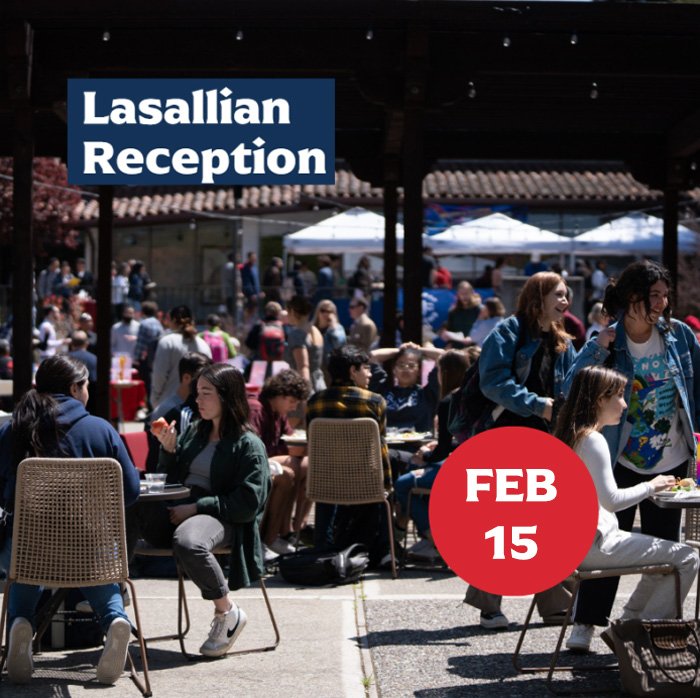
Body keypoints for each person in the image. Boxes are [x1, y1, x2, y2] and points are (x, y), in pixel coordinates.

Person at [563, 260, 700, 644]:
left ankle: (635, 625)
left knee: (662, 553)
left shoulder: (679, 336)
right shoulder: (608, 340)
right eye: (652, 295)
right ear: (631, 298)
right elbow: (572, 388)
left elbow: (698, 391)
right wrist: (593, 347)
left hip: (670, 458)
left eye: (663, 294)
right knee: (607, 543)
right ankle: (586, 623)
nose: (661, 302)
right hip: (619, 455)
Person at [0, 355, 141, 684]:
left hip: (26, 550)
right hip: (89, 550)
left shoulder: (13, 430)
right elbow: (131, 492)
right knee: (94, 555)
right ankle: (114, 620)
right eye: (86, 385)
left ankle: (21, 624)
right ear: (75, 389)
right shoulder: (100, 430)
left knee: (25, 557)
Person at [556, 366, 699, 652]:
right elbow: (612, 500)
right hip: (596, 544)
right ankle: (639, 635)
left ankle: (629, 625)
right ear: (599, 400)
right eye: (620, 396)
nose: (625, 403)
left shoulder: (573, 435)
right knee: (688, 558)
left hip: (578, 543)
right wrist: (652, 485)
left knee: (665, 563)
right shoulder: (593, 440)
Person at [464, 271, 578, 629]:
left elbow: (575, 382)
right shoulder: (508, 331)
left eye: (567, 295)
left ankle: (554, 602)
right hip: (506, 436)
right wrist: (537, 404)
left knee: (544, 524)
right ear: (539, 296)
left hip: (549, 439)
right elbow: (493, 382)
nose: (565, 302)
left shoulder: (564, 340)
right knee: (503, 525)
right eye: (559, 295)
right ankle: (489, 607)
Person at [147, 363, 270, 657]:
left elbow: (247, 504)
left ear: (227, 397)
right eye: (196, 392)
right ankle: (112, 604)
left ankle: (227, 612)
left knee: (189, 542)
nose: (197, 400)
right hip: (180, 507)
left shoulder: (248, 444)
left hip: (221, 518)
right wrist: (168, 451)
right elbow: (171, 479)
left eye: (206, 393)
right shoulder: (195, 432)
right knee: (119, 515)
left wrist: (198, 506)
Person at [306, 346, 391, 555]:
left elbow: (312, 445)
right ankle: (382, 551)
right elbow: (381, 446)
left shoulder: (314, 402)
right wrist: (387, 485)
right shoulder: (375, 401)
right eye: (366, 368)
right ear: (353, 371)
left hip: (325, 483)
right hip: (366, 484)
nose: (370, 374)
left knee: (329, 482)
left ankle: (321, 548)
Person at [393, 349, 469, 560]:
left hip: (456, 469)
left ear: (443, 373)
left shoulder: (449, 401)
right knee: (412, 470)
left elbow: (443, 450)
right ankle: (427, 538)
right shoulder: (473, 396)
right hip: (470, 464)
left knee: (403, 483)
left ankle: (433, 538)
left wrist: (425, 456)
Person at [248, 370, 311, 558]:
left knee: (308, 465)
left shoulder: (278, 413)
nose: (293, 408)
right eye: (292, 402)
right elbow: (251, 449)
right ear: (279, 395)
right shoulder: (256, 409)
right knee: (290, 470)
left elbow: (289, 439)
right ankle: (269, 536)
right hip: (252, 465)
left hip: (271, 462)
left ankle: (289, 530)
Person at [150, 305, 212, 408]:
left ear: (173, 320)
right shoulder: (203, 344)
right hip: (198, 407)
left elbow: (159, 375)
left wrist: (155, 399)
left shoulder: (167, 342)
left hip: (168, 405)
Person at [284, 295, 326, 398]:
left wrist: (304, 396)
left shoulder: (297, 335)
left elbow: (303, 367)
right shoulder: (315, 330)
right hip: (320, 385)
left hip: (305, 389)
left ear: (292, 311)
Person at [133, 300, 164, 407]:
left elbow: (140, 344)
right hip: (157, 358)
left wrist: (136, 358)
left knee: (147, 385)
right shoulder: (158, 323)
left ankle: (149, 407)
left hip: (145, 360)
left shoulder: (144, 323)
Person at [311, 299, 346, 381]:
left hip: (330, 370)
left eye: (330, 311)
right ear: (317, 312)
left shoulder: (337, 329)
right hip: (315, 369)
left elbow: (340, 345)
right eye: (323, 310)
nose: (326, 314)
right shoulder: (312, 328)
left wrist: (334, 326)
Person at [439, 281, 481, 348]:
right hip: (457, 348)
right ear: (458, 294)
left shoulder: (479, 310)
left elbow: (484, 330)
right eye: (462, 294)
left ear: (472, 293)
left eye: (466, 293)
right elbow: (450, 330)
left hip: (475, 347)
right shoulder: (453, 312)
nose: (464, 296)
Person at [241, 251, 262, 320]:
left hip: (256, 294)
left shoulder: (255, 268)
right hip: (249, 294)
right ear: (249, 258)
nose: (255, 259)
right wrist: (251, 293)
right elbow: (246, 281)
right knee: (249, 310)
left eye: (255, 257)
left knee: (255, 311)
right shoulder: (246, 268)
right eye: (253, 257)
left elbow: (256, 282)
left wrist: (259, 292)